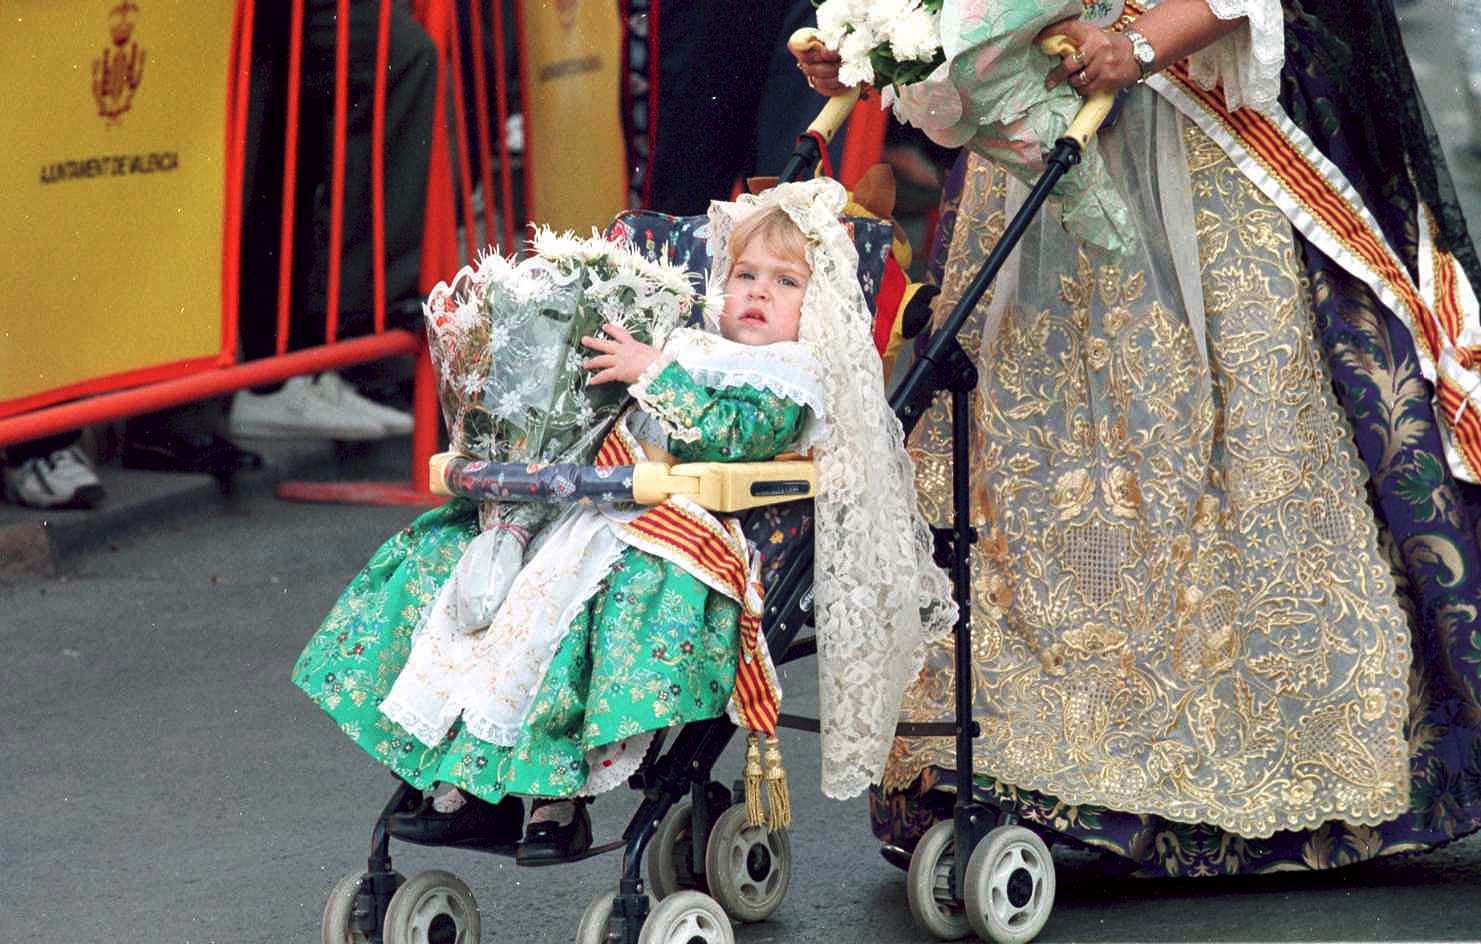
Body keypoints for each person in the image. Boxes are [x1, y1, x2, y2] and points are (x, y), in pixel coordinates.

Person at [799, 0, 1481, 875]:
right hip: (1035, 137)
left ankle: (1245, 780)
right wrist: (880, 52)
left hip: (1199, 136)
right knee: (1012, 461)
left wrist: (1139, 42)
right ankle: (1013, 768)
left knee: (1234, 443)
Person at [292, 178, 954, 860]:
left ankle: (556, 797)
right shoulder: (692, 346)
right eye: (744, 275)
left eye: (786, 283)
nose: (757, 293)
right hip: (608, 511)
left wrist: (655, 374)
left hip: (697, 533)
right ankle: (460, 783)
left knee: (574, 617)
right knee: (468, 579)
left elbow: (730, 434)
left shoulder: (787, 374)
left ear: (817, 309)